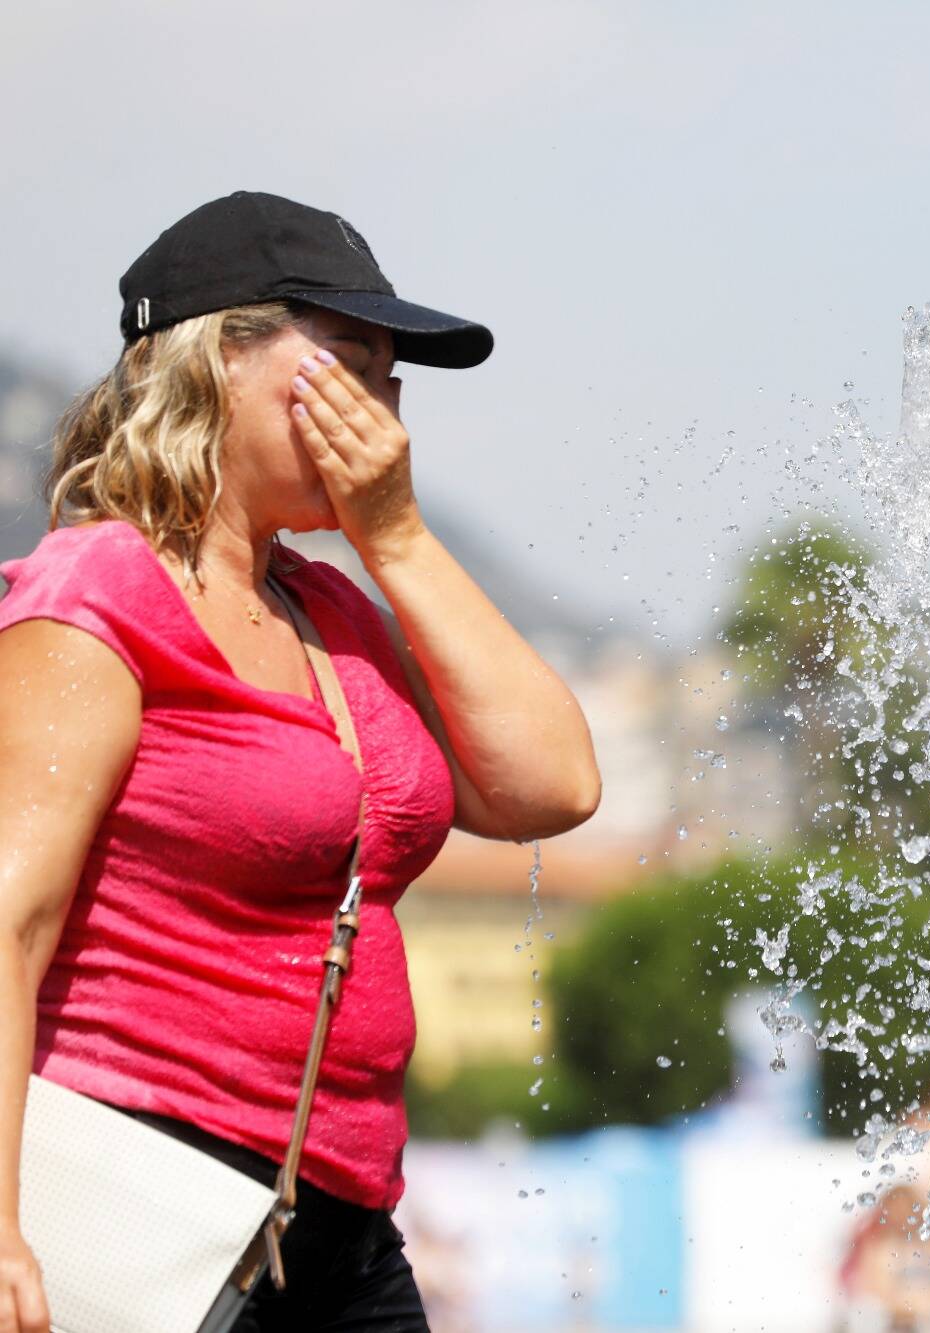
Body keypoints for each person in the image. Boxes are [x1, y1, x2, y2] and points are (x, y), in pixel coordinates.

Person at [0, 192, 601, 1332]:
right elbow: (8, 919)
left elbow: (550, 786)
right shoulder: (96, 593)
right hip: (147, 1201)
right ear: (210, 363)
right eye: (351, 363)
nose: (383, 407)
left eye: (390, 378)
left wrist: (400, 534)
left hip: (336, 1223)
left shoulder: (333, 610)